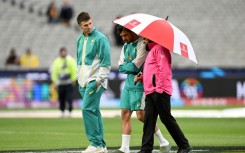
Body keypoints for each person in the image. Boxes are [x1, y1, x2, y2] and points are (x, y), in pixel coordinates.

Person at [113, 25, 170, 153]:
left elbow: (134, 66)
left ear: (132, 32)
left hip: (140, 85)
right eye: (121, 36)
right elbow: (120, 67)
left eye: (125, 35)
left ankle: (163, 140)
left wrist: (128, 67)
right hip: (128, 84)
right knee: (125, 113)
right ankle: (125, 147)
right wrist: (129, 67)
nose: (123, 38)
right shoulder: (125, 46)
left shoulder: (142, 44)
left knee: (141, 115)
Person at [135, 38, 192, 153]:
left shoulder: (160, 48)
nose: (143, 39)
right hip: (151, 91)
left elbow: (164, 70)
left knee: (166, 119)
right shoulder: (153, 50)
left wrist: (159, 90)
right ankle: (146, 148)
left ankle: (184, 146)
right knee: (149, 120)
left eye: (145, 37)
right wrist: (143, 78)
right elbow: (154, 71)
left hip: (159, 91)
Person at [76, 12, 111, 153]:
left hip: (94, 80)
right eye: (85, 25)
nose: (89, 26)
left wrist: (99, 80)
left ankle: (95, 144)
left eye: (90, 23)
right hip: (83, 82)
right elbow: (79, 61)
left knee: (87, 109)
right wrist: (79, 79)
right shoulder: (79, 40)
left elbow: (106, 62)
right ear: (80, 26)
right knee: (94, 111)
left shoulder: (101, 39)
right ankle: (102, 146)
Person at [50, 47, 76, 118]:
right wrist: (55, 82)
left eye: (64, 52)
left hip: (69, 82)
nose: (63, 53)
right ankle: (62, 111)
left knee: (69, 97)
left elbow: (74, 69)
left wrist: (73, 79)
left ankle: (70, 111)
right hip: (60, 83)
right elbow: (54, 72)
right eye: (62, 52)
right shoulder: (57, 61)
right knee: (61, 98)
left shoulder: (70, 60)